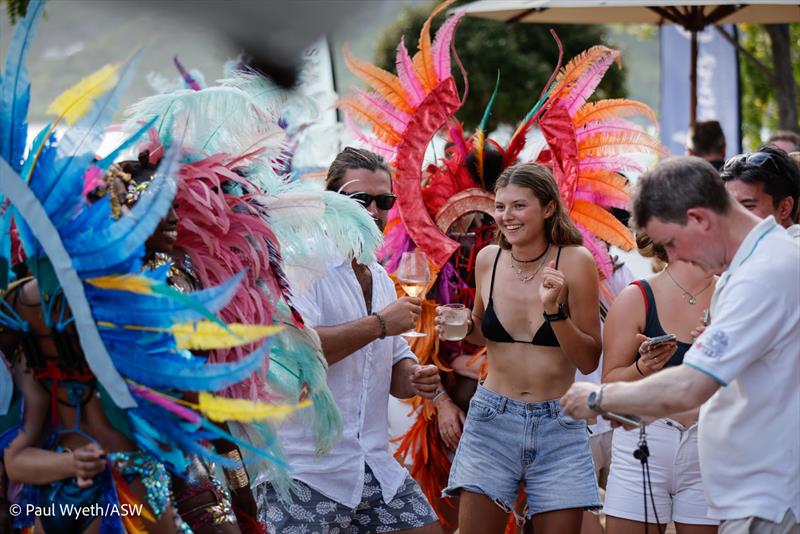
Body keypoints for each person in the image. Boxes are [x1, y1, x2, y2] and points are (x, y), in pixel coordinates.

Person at [561, 156, 800, 534]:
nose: (673, 258)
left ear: (700, 219)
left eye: (672, 243)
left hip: (768, 496)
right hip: (757, 490)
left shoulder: (762, 274)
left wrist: (599, 399)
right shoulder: (760, 263)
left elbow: (690, 384)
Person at [256, 147, 443, 534]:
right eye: (360, 200)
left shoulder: (380, 275)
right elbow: (298, 351)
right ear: (330, 203)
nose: (373, 211)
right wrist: (378, 324)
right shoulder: (301, 264)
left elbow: (394, 365)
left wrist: (414, 376)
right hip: (308, 470)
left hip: (373, 463)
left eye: (384, 200)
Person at [439, 162, 602, 534]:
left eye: (518, 206)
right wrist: (466, 326)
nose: (506, 217)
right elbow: (483, 333)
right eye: (500, 206)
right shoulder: (488, 261)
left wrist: (555, 313)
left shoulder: (576, 261)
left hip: (559, 422)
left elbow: (589, 359)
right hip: (492, 418)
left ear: (548, 208)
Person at [601, 232, 718, 534]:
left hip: (712, 449)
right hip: (644, 443)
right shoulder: (635, 297)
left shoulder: (734, 297)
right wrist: (643, 367)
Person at [720, 145, 800, 239]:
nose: (734, 216)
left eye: (748, 206)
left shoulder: (785, 250)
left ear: (784, 208)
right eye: (729, 206)